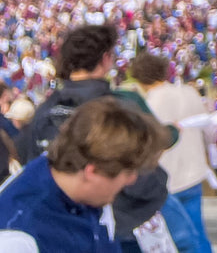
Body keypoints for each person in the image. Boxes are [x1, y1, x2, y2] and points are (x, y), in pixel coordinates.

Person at [15, 24, 175, 250]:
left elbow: (27, 157)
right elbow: (149, 182)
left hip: (71, 226)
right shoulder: (121, 106)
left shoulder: (45, 110)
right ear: (106, 58)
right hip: (118, 229)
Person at [0, 96, 170, 252]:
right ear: (93, 171)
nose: (132, 180)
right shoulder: (18, 237)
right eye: (128, 173)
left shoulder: (89, 191)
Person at [129, 51, 214, 253]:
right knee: (197, 233)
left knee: (173, 239)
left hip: (166, 177)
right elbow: (208, 132)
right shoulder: (189, 92)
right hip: (194, 171)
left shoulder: (148, 103)